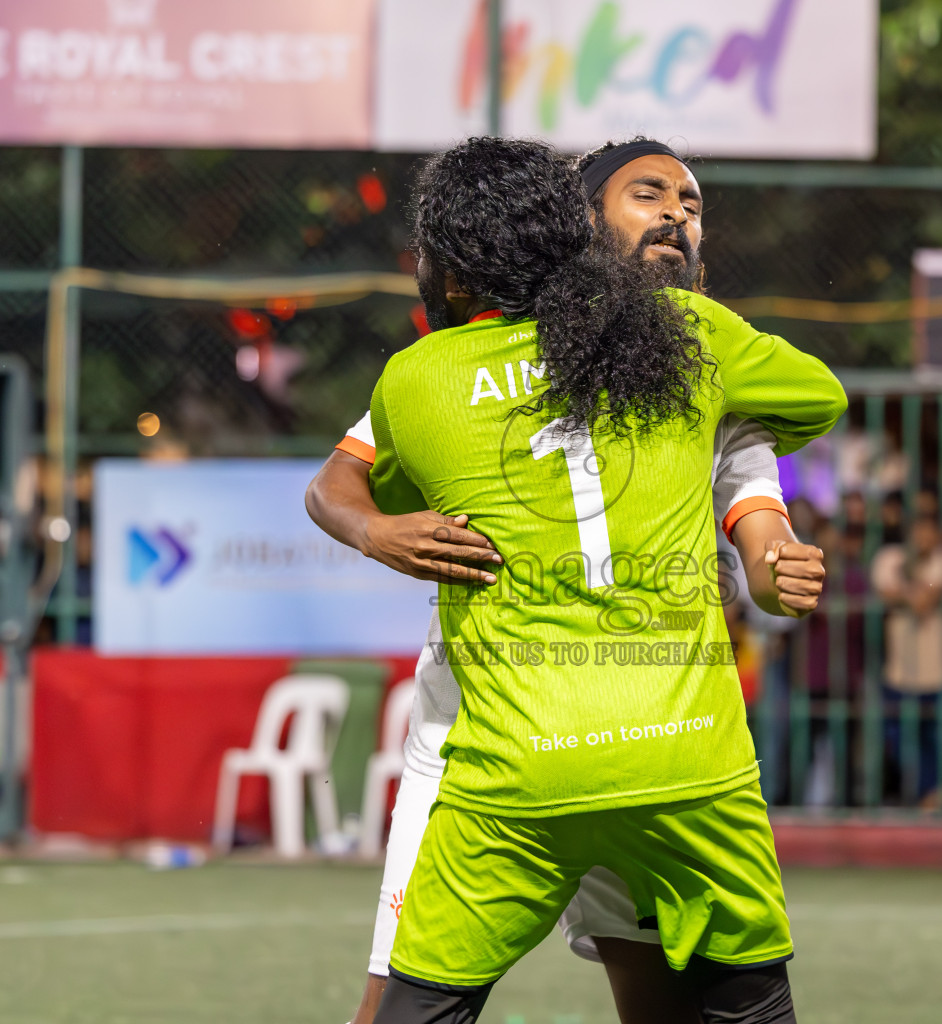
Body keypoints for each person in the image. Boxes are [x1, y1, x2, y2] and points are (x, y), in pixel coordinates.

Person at [309, 136, 828, 1024]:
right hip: (497, 727)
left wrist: (766, 541)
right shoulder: (688, 345)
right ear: (574, 227)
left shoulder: (687, 350)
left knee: (637, 988)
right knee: (388, 995)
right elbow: (336, 482)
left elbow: (748, 465)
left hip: (555, 744)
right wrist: (376, 529)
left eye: (693, 204)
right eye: (650, 194)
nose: (677, 213)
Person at [872, 515, 942, 807]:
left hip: (938, 671)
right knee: (900, 745)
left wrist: (905, 593)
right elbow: (889, 594)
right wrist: (917, 589)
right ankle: (913, 798)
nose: (922, 535)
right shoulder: (889, 558)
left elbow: (922, 602)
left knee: (935, 744)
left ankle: (929, 800)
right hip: (899, 672)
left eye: (928, 528)